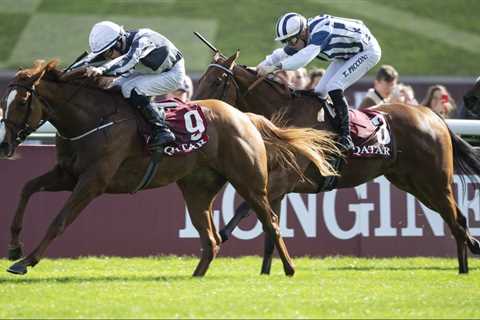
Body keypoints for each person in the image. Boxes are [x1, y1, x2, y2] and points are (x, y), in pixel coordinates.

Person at [256, 12, 382, 152]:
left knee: (334, 86)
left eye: (291, 41)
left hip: (367, 52)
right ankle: (327, 129)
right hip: (346, 53)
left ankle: (346, 136)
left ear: (303, 32)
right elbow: (280, 54)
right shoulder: (303, 35)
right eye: (286, 41)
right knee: (320, 92)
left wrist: (274, 68)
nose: (290, 45)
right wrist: (258, 67)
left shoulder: (321, 32)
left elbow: (303, 59)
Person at [71, 21, 186, 150]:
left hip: (172, 73)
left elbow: (128, 60)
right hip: (148, 70)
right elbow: (92, 58)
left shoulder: (143, 40)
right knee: (115, 85)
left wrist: (102, 70)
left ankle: (162, 130)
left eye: (109, 53)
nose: (108, 57)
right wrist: (70, 71)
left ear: (119, 42)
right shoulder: (119, 43)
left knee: (130, 88)